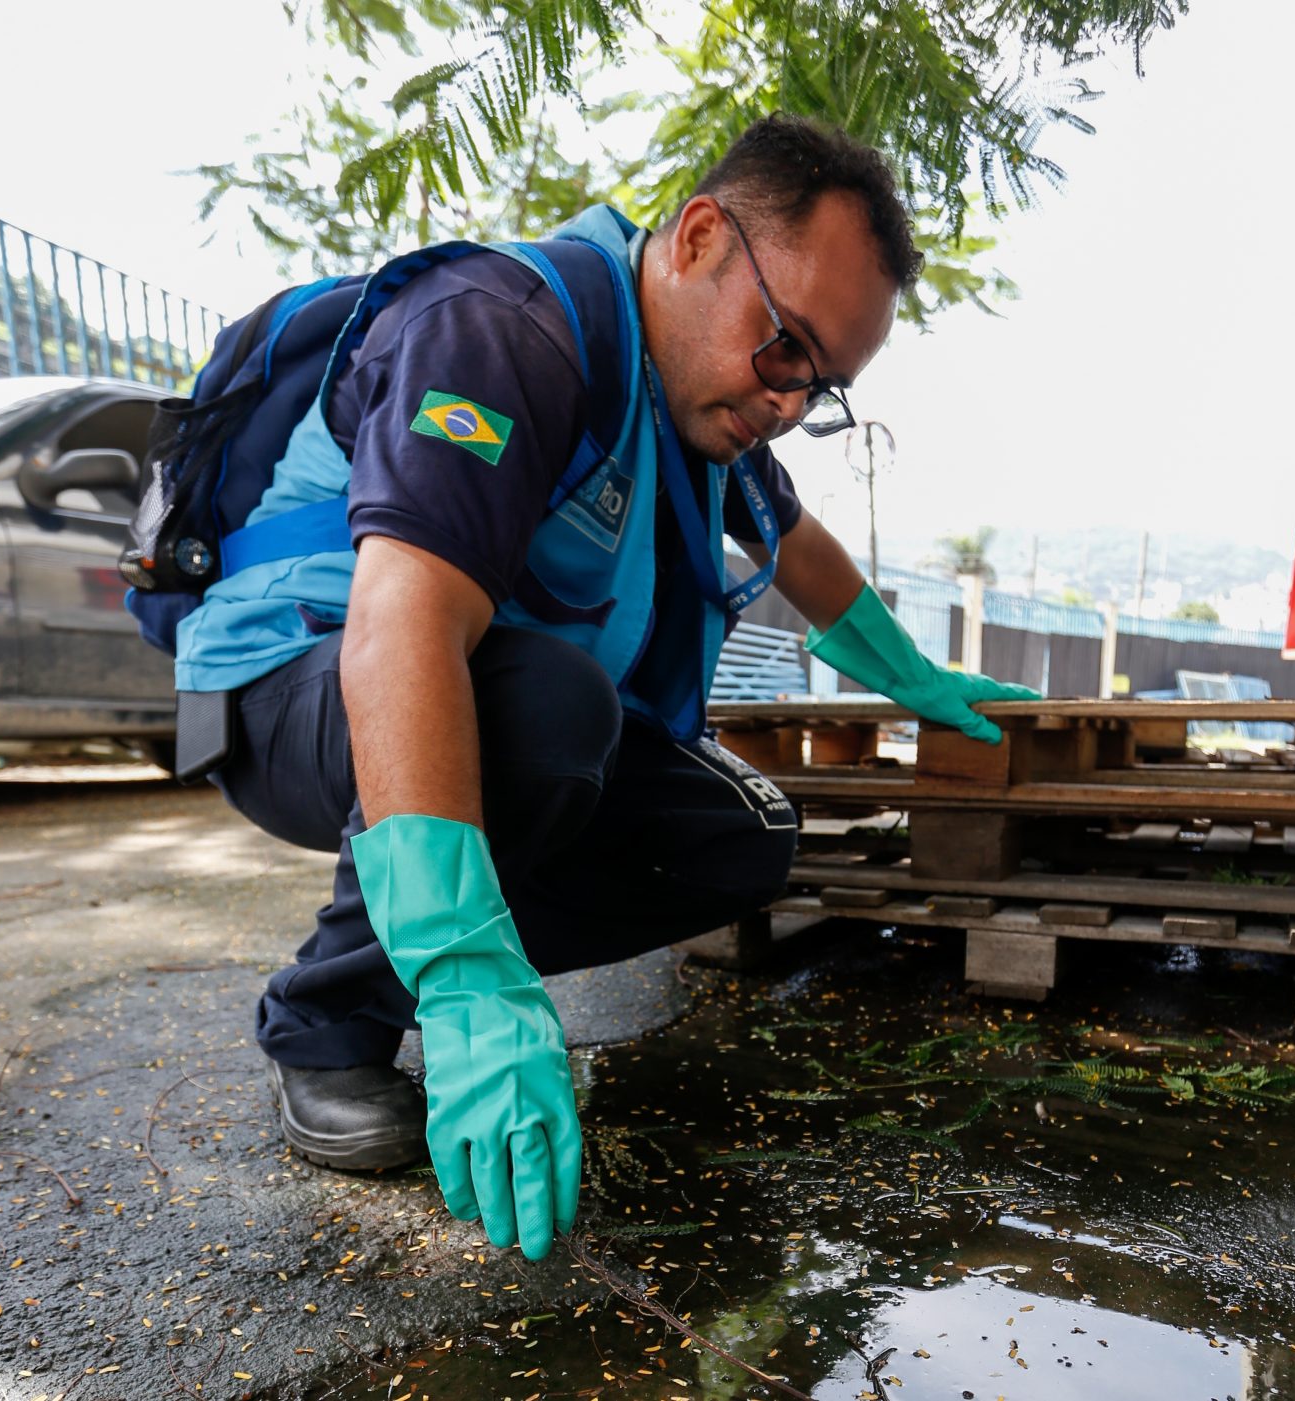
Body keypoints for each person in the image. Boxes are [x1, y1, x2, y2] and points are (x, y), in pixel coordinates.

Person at [173, 113, 1037, 1262]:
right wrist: (473, 976)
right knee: (548, 710)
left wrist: (911, 672)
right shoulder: (504, 330)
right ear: (695, 240)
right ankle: (333, 1018)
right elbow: (405, 628)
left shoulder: (693, 414)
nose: (787, 398)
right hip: (286, 679)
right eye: (784, 346)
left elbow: (801, 543)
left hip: (466, 693)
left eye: (820, 385)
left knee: (738, 834)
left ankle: (437, 957)